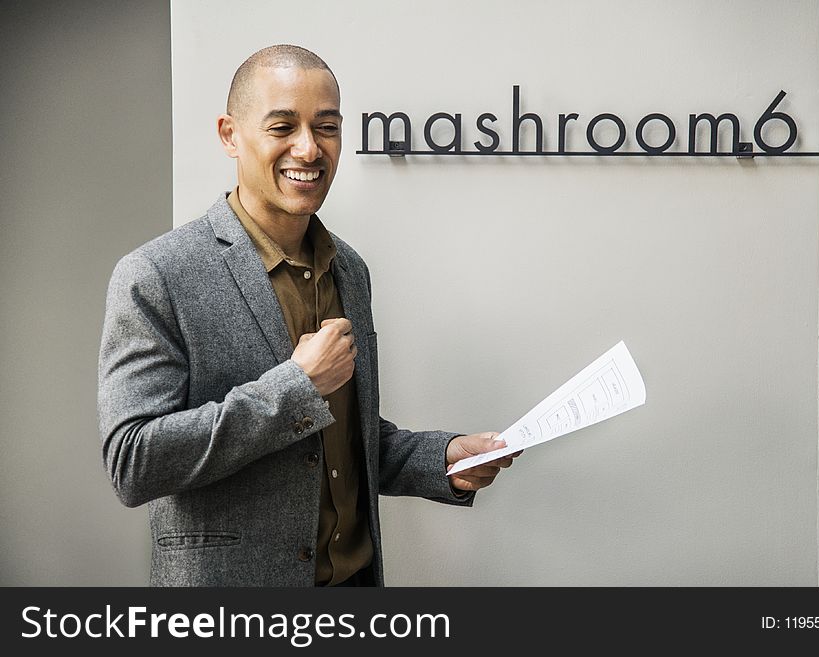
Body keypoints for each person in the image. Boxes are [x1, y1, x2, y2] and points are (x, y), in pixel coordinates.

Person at [97, 44, 518, 587]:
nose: (309, 148)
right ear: (230, 134)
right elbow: (133, 463)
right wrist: (295, 387)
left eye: (327, 127)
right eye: (282, 127)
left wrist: (445, 459)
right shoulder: (156, 275)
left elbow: (343, 443)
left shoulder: (351, 270)